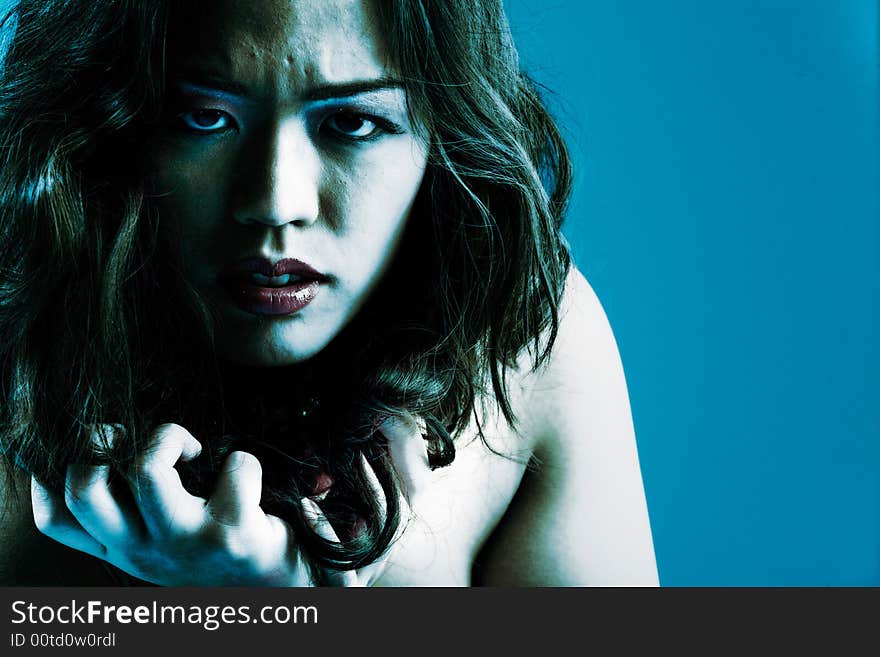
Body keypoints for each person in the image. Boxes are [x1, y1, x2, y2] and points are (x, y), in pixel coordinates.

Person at [0, 0, 659, 586]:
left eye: (351, 122)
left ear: (443, 135)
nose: (274, 203)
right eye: (203, 116)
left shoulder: (522, 340)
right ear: (105, 125)